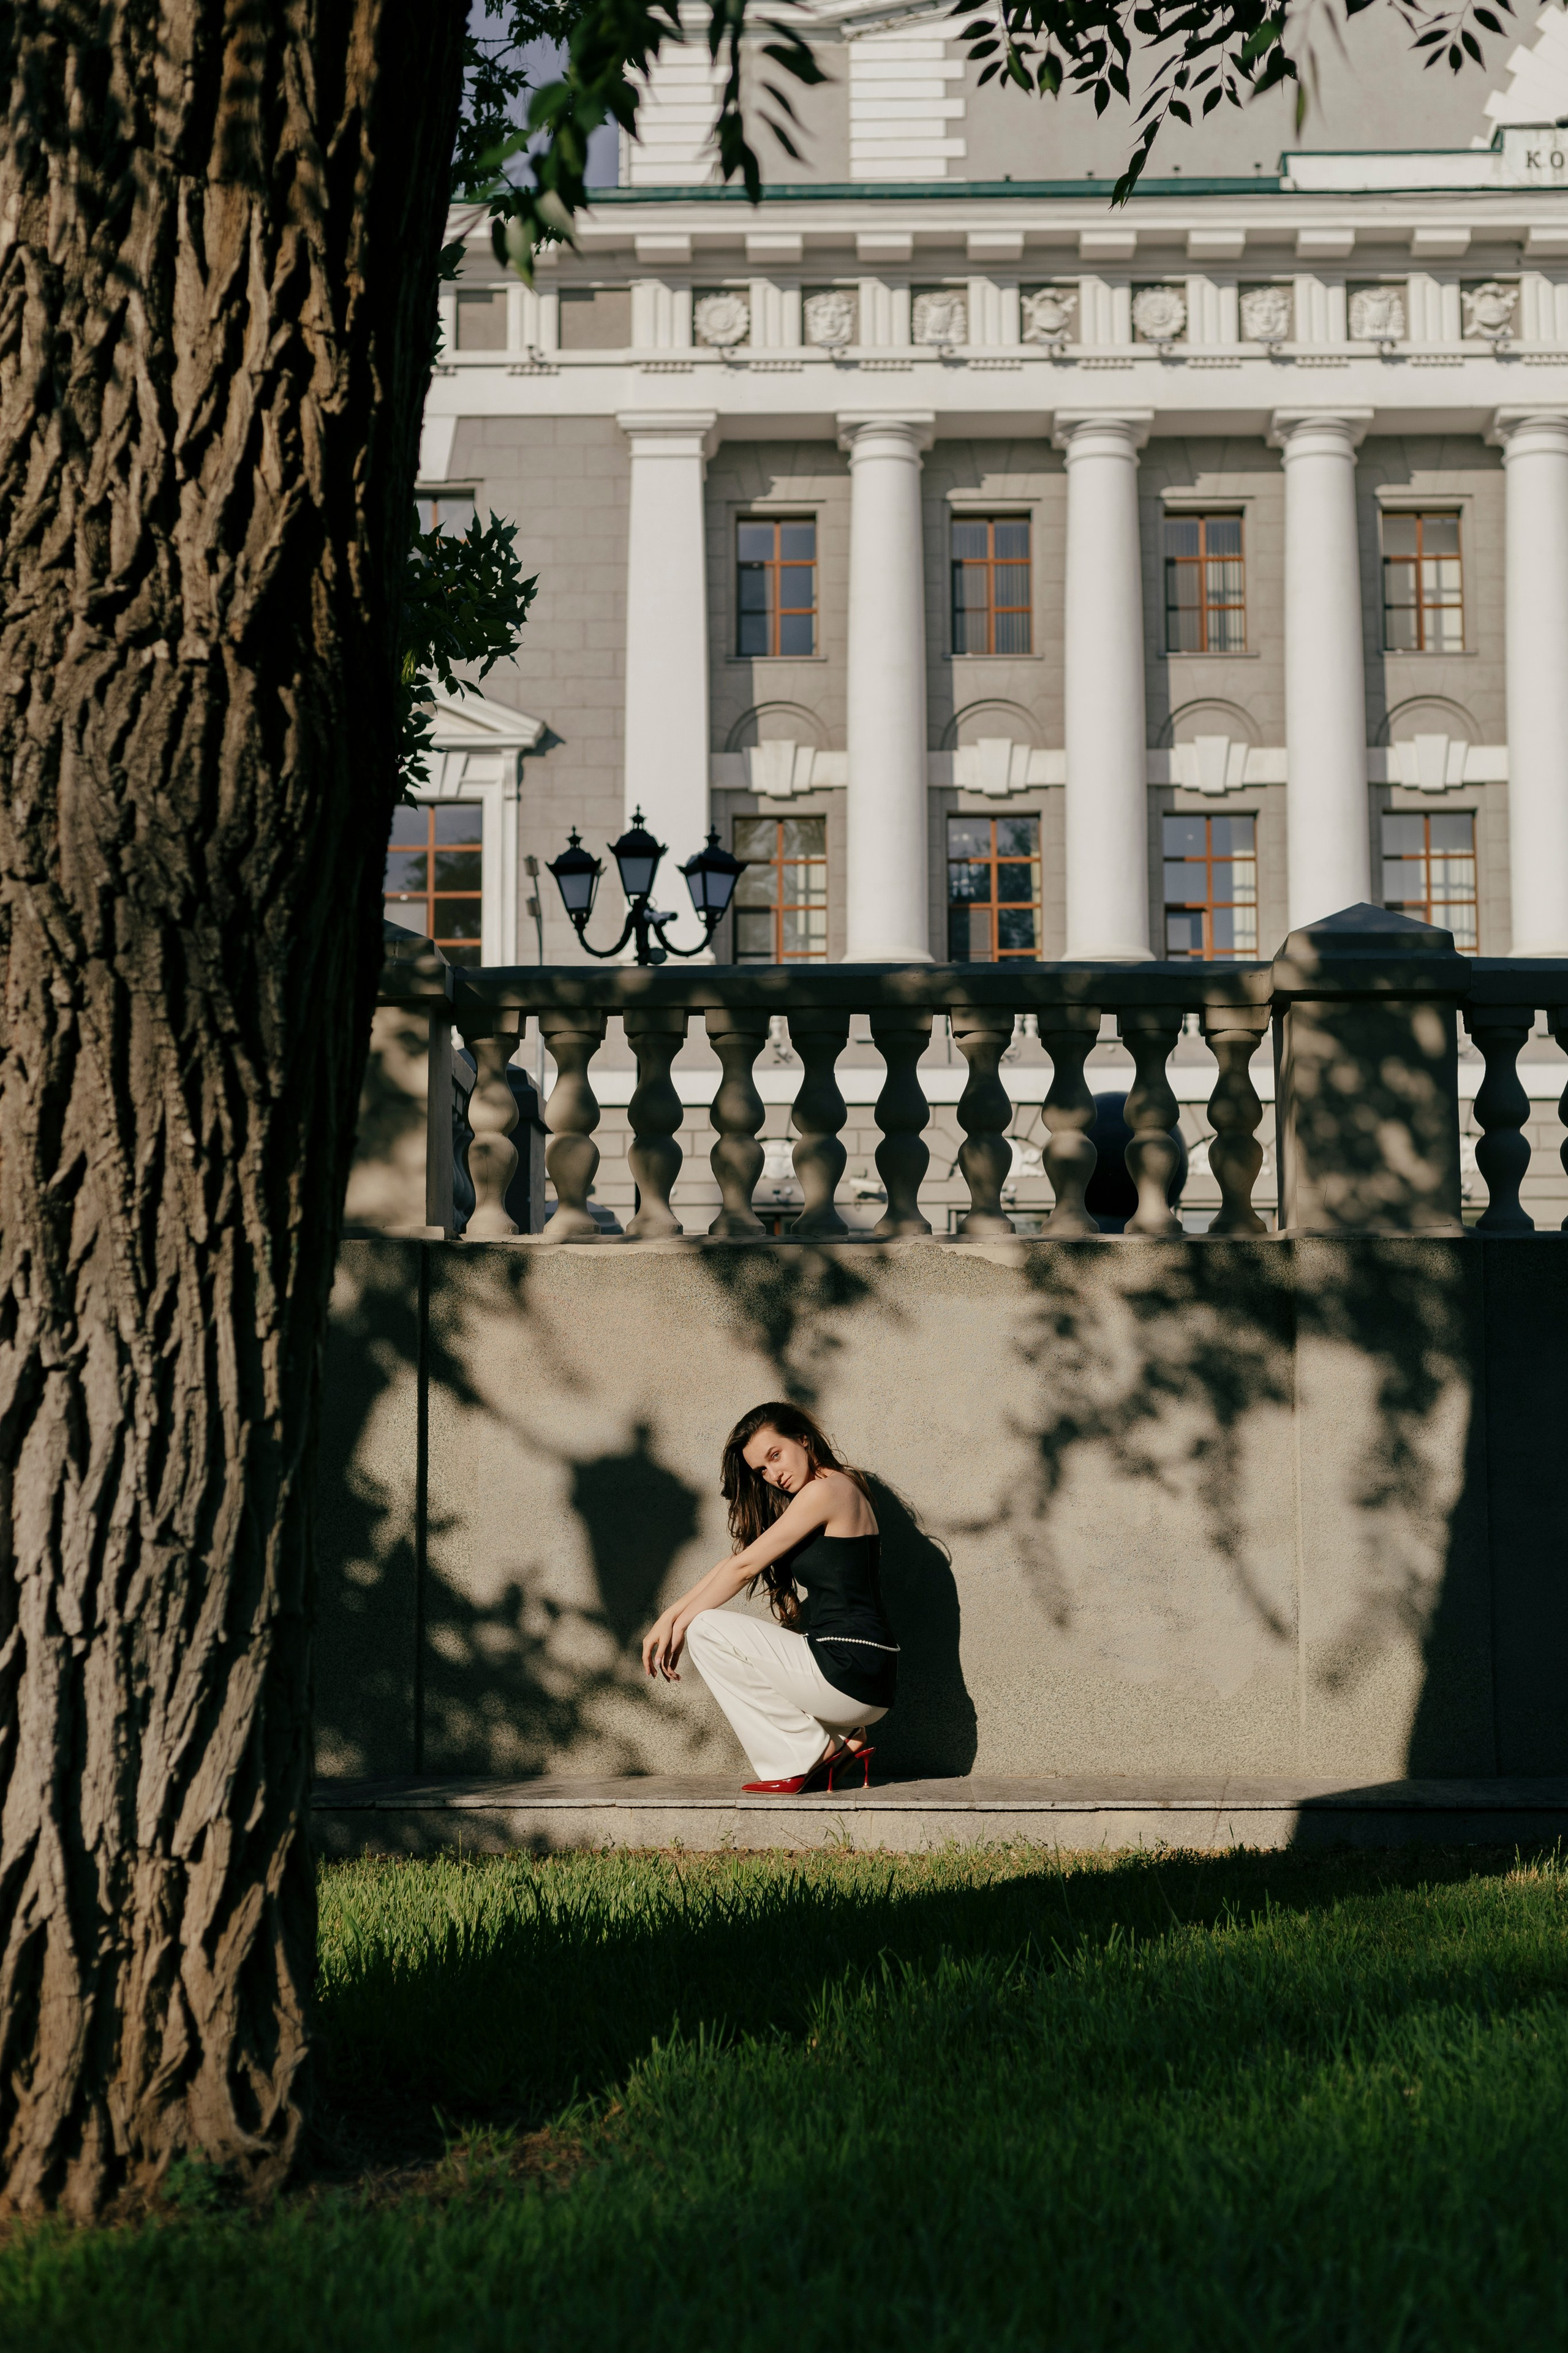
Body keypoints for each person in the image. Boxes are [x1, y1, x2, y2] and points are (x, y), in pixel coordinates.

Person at [640, 1401, 899, 1795]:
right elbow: (738, 1561)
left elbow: (743, 1570)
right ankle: (838, 1736)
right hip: (864, 1671)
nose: (773, 1474)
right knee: (706, 1624)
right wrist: (671, 1615)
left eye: (775, 1456)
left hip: (849, 1668)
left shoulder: (827, 1491)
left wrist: (681, 1622)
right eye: (762, 1469)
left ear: (804, 1439)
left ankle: (813, 1750)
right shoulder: (837, 1489)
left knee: (708, 1628)